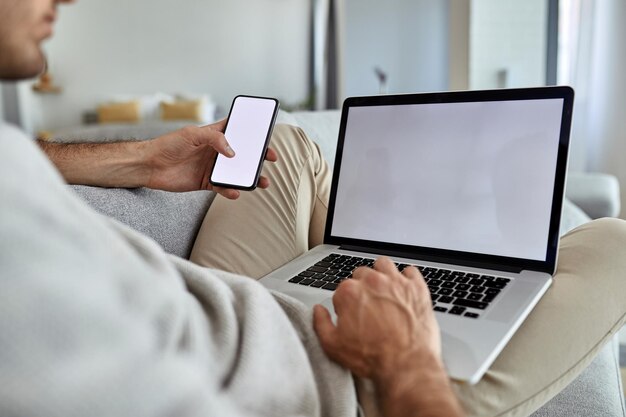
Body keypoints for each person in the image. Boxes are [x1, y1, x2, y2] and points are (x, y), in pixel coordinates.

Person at [0, 1, 624, 417]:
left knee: (289, 144)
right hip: (313, 368)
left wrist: (144, 161)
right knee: (616, 242)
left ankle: (370, 256)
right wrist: (403, 362)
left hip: (231, 304)